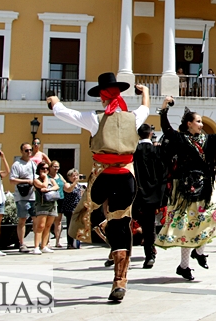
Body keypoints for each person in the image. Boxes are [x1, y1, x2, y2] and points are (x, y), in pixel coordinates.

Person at [49, 72, 150, 302]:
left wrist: (54, 101)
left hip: (104, 177)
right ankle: (120, 280)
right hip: (126, 176)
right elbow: (145, 106)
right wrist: (144, 91)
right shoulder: (133, 117)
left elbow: (64, 113)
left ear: (102, 97)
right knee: (122, 221)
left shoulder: (94, 119)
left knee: (86, 211)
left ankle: (105, 233)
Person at [156, 97, 216, 279]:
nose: (201, 124)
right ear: (189, 124)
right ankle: (184, 266)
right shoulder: (180, 139)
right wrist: (164, 109)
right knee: (188, 225)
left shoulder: (207, 139)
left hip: (206, 185)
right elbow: (167, 130)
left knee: (212, 217)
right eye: (198, 121)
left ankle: (200, 252)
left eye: (201, 121)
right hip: (187, 187)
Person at [133, 123, 168, 268]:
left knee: (126, 223)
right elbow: (164, 172)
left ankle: (118, 254)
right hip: (152, 194)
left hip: (134, 193)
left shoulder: (133, 151)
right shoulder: (156, 150)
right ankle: (149, 255)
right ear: (150, 134)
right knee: (149, 226)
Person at [10, 142, 39, 254]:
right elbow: (12, 180)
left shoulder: (33, 164)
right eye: (26, 150)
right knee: (22, 219)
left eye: (30, 150)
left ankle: (37, 243)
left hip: (33, 195)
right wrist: (27, 181)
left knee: (36, 219)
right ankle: (21, 243)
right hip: (22, 196)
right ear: (21, 151)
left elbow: (36, 177)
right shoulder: (17, 164)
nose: (29, 152)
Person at [32, 162, 59, 254]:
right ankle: (36, 246)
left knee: (48, 226)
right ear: (39, 170)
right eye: (43, 168)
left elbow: (56, 186)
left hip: (52, 204)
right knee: (40, 226)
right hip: (42, 204)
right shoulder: (36, 180)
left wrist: (49, 189)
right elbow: (43, 185)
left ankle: (44, 246)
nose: (45, 170)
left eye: (47, 168)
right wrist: (45, 178)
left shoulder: (51, 179)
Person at [61, 168, 83, 248]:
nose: (75, 177)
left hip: (78, 208)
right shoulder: (67, 184)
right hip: (70, 208)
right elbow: (69, 190)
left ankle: (77, 243)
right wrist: (75, 182)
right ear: (69, 177)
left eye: (76, 175)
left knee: (78, 226)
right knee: (70, 226)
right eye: (73, 176)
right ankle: (70, 243)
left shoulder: (79, 186)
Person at [48, 161, 66, 248]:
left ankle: (57, 241)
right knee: (49, 221)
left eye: (57, 167)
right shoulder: (47, 176)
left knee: (58, 221)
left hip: (60, 199)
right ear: (50, 167)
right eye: (54, 166)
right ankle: (46, 242)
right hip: (50, 200)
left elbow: (65, 184)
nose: (56, 168)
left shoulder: (59, 176)